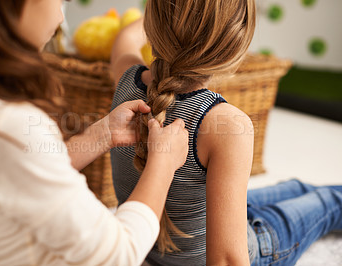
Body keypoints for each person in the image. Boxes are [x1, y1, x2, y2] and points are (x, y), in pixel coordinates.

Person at [0, 0, 189, 265]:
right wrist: (163, 163)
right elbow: (120, 253)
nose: (62, 14)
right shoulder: (6, 129)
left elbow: (16, 179)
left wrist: (102, 134)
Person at [109, 0, 342, 265]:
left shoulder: (127, 79)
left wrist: (164, 22)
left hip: (147, 244)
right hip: (254, 246)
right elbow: (227, 259)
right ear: (237, 43)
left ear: (152, 27)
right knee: (330, 200)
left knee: (296, 187)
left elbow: (126, 37)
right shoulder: (229, 125)